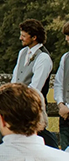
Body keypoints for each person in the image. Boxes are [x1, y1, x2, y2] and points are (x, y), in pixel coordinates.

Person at [11, 18, 56, 146]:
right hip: (17, 106)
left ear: (34, 37)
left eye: (24, 36)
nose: (21, 38)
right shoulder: (22, 53)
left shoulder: (43, 58)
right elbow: (15, 78)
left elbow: (35, 88)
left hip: (33, 108)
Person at [53, 21, 69, 149]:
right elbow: (58, 83)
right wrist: (60, 104)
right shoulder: (65, 58)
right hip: (65, 117)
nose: (67, 39)